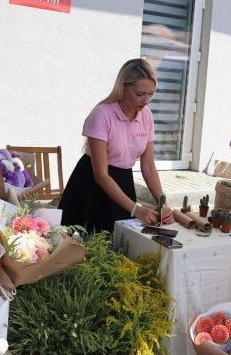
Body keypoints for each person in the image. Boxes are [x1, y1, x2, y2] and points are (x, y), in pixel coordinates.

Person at [59, 58, 174, 233]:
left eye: (151, 94)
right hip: (91, 184)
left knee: (121, 245)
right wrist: (136, 209)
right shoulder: (102, 114)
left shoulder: (147, 116)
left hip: (123, 182)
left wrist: (162, 203)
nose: (146, 100)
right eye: (140, 94)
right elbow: (101, 175)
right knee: (85, 244)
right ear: (123, 87)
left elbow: (149, 166)